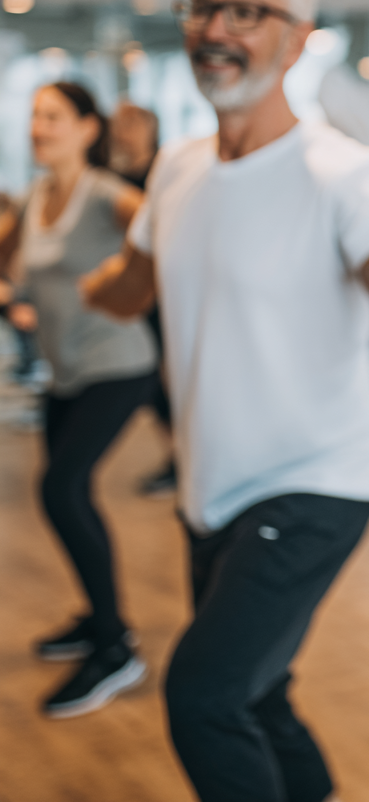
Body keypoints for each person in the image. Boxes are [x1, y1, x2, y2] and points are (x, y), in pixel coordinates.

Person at [80, 0, 369, 802]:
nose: (218, 30)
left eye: (248, 13)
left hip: (312, 486)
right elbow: (128, 283)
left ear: (298, 39)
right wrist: (59, 262)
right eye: (206, 7)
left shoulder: (341, 170)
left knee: (204, 697)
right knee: (261, 696)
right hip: (210, 490)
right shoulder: (178, 172)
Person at [0, 82, 157, 717]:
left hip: (121, 365)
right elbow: (9, 265)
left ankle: (116, 646)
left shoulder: (107, 195)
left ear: (89, 128)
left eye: (54, 117)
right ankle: (99, 619)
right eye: (36, 117)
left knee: (62, 489)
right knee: (65, 495)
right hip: (67, 373)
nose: (40, 127)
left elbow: (164, 229)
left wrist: (127, 283)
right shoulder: (36, 197)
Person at [108, 100, 177, 496]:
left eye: (133, 123)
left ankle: (184, 458)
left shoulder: (162, 173)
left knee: (173, 378)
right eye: (120, 124)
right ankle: (178, 457)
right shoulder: (112, 178)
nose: (124, 131)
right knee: (152, 383)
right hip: (133, 294)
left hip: (164, 293)